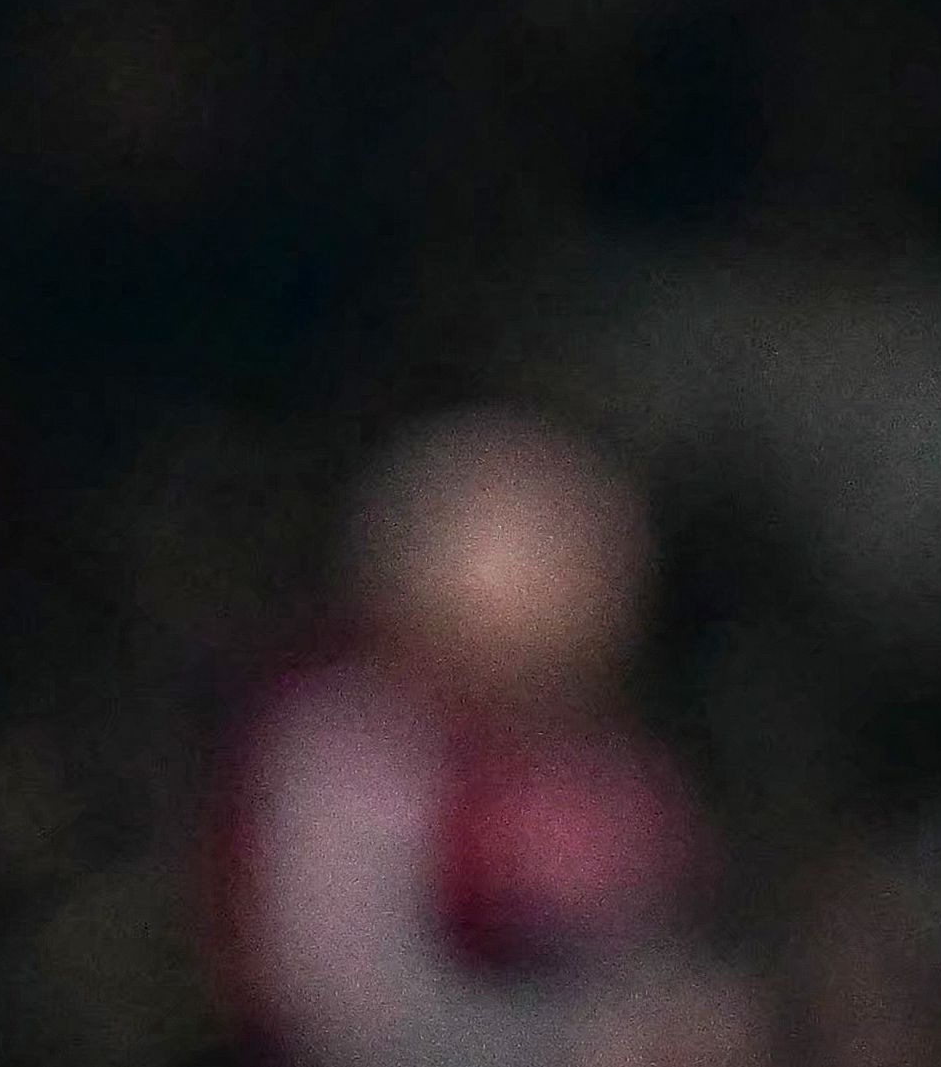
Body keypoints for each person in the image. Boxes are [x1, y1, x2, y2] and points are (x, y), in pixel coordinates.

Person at [223, 415, 762, 1067]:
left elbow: (658, 949)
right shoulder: (344, 753)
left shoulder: (606, 762)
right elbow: (342, 1006)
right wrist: (574, 1046)